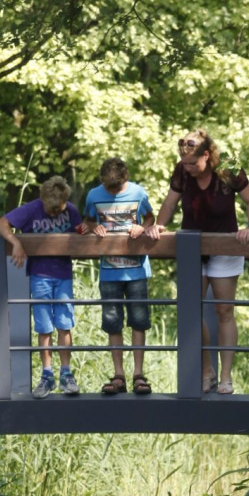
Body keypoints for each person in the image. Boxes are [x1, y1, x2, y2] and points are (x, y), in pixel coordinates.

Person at [150, 129, 249, 395]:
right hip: (192, 249)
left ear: (207, 155)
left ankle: (225, 377)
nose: (187, 168)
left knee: (224, 310)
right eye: (184, 163)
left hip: (225, 246)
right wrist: (158, 226)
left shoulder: (229, 169)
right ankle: (206, 370)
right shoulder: (182, 171)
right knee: (191, 309)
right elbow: (170, 202)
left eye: (192, 163)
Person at [0, 176, 84, 398]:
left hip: (63, 275)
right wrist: (16, 242)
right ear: (42, 199)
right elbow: (1, 223)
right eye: (51, 209)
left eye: (59, 209)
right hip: (39, 275)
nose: (55, 213)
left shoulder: (70, 210)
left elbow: (81, 230)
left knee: (65, 323)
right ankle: (47, 375)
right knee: (43, 326)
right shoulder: (32, 209)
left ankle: (66, 373)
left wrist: (89, 229)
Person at [83, 157, 156, 395]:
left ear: (125, 178)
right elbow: (88, 220)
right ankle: (118, 375)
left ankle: (138, 374)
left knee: (138, 320)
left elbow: (150, 218)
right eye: (109, 187)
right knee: (113, 323)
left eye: (117, 187)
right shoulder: (94, 195)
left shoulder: (138, 193)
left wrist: (142, 228)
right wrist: (94, 227)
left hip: (136, 269)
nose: (113, 191)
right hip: (109, 270)